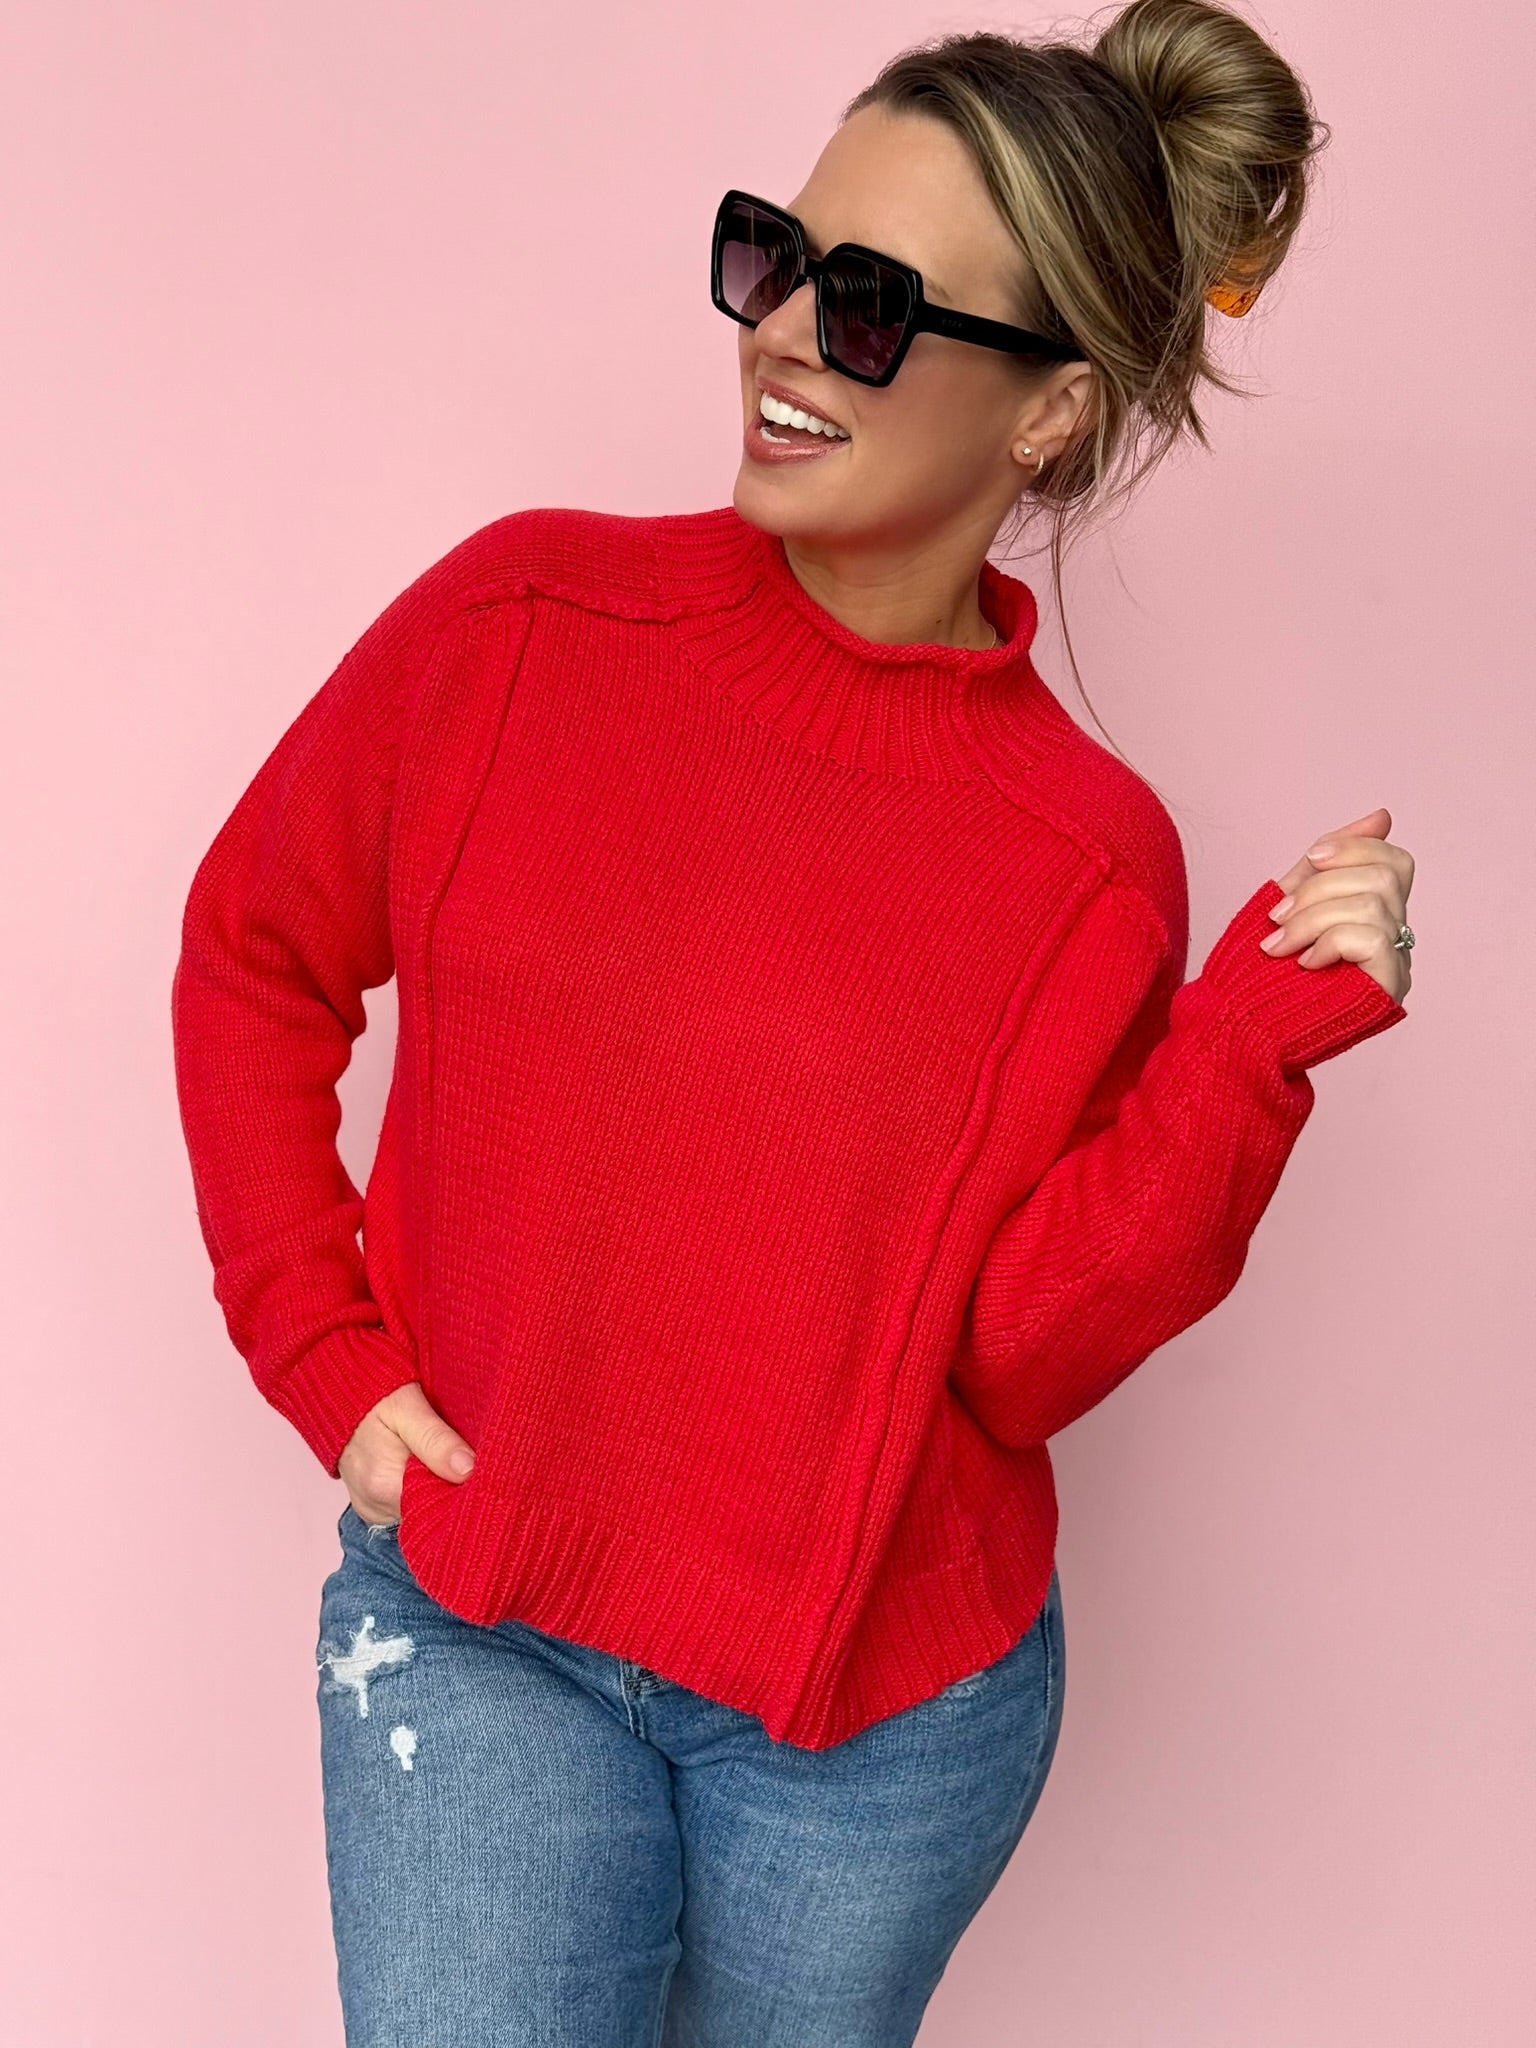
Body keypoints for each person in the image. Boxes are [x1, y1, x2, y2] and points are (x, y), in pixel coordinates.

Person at [170, 3, 1416, 2041]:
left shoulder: (1088, 858)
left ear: (1048, 412)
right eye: (776, 259)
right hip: (484, 1620)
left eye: (870, 306)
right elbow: (254, 947)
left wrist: (1240, 1055)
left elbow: (1012, 1357)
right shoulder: (521, 626)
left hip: (876, 1730)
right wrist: (320, 1345)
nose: (779, 336)